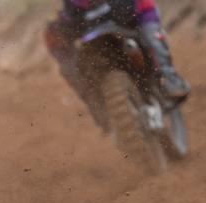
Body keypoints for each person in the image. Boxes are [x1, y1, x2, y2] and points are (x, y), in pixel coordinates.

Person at [45, 0, 191, 120]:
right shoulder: (72, 3)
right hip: (101, 31)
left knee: (152, 38)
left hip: (139, 14)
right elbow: (69, 22)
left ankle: (170, 78)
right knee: (79, 66)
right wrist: (61, 30)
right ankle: (99, 108)